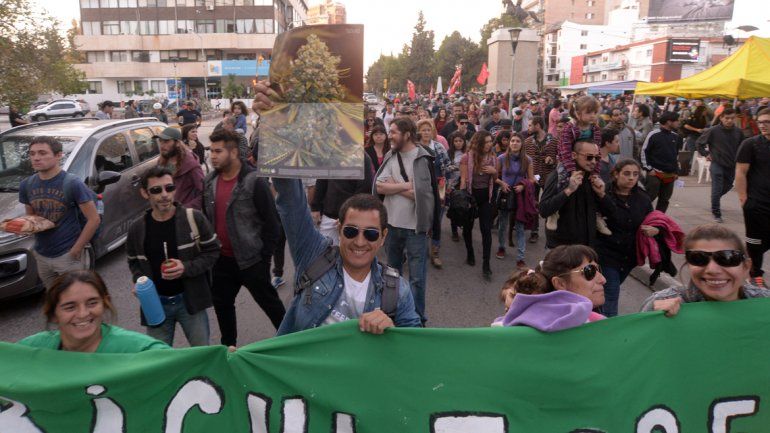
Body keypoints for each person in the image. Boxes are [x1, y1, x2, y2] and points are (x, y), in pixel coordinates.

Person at [273, 174, 422, 335]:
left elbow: (415, 341)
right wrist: (283, 151)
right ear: (339, 230)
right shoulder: (314, 256)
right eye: (351, 231)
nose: (359, 242)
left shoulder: (397, 290)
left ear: (383, 237)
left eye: (370, 234)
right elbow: (290, 200)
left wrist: (391, 327)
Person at [204, 129, 285, 346]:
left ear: (233, 152)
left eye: (218, 151)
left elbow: (273, 224)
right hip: (221, 262)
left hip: (251, 262)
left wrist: (263, 259)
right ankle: (228, 350)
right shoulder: (210, 181)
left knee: (271, 305)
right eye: (211, 151)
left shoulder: (254, 181)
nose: (212, 156)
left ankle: (292, 342)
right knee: (223, 308)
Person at [126, 166, 220, 346]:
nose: (164, 194)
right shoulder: (137, 229)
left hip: (190, 302)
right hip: (155, 305)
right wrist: (140, 281)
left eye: (169, 188)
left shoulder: (193, 218)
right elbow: (133, 262)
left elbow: (213, 251)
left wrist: (186, 267)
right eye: (156, 190)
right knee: (158, 361)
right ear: (145, 193)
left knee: (202, 355)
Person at [374, 117, 438, 325]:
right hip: (391, 225)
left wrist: (396, 185)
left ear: (407, 134)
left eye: (393, 132)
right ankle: (395, 315)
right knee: (392, 276)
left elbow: (426, 195)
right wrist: (406, 186)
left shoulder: (424, 158)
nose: (389, 136)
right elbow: (379, 187)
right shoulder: (391, 156)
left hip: (415, 229)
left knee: (417, 279)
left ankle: (418, 319)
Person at [18, 270, 169, 352]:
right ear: (53, 314)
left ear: (105, 304)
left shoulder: (137, 350)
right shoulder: (33, 349)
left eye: (92, 303)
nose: (83, 314)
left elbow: (179, 365)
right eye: (70, 307)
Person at [20, 136, 99, 289]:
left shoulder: (72, 183)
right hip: (42, 254)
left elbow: (94, 219)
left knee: (76, 297)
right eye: (32, 153)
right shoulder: (26, 185)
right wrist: (21, 227)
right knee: (55, 299)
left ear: (58, 156)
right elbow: (31, 219)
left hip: (67, 254)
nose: (36, 158)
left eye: (42, 153)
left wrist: (75, 250)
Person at [641, 224, 770, 315]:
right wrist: (653, 320)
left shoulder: (764, 303)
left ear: (746, 266)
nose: (712, 269)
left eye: (727, 258)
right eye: (698, 258)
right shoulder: (660, 304)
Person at [498, 245, 607, 331]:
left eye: (598, 269)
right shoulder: (599, 326)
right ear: (560, 283)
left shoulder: (505, 328)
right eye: (590, 271)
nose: (603, 279)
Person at [596, 159, 654, 317]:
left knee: (606, 293)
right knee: (611, 294)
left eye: (635, 174)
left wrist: (655, 229)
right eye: (627, 173)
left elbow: (653, 219)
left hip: (629, 257)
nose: (631, 178)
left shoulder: (642, 198)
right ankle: (610, 332)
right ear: (615, 174)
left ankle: (594, 317)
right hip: (606, 255)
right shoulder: (602, 193)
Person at [539, 140, 610, 249]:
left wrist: (602, 195)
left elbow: (610, 212)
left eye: (597, 158)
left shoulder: (594, 179)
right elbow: (544, 209)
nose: (594, 161)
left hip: (587, 248)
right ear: (574, 155)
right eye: (589, 157)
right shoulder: (558, 176)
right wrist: (568, 190)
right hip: (562, 249)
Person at [735, 108, 770, 287]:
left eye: (767, 122)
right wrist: (744, 199)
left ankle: (745, 265)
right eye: (761, 122)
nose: (763, 125)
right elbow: (741, 172)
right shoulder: (751, 144)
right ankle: (755, 275)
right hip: (756, 203)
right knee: (755, 243)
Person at [311, 153, 374, 246]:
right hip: (328, 216)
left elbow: (364, 190)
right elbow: (322, 180)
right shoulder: (329, 154)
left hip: (351, 220)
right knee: (324, 255)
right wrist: (315, 207)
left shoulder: (364, 158)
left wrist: (347, 215)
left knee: (349, 255)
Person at [695, 108, 745, 223]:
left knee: (727, 186)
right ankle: (716, 212)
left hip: (732, 165)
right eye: (727, 118)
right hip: (717, 163)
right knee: (717, 188)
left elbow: (743, 147)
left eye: (732, 118)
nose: (729, 120)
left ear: (735, 118)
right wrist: (706, 154)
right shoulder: (713, 130)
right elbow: (699, 143)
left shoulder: (738, 132)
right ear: (721, 117)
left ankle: (715, 198)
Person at [460, 131, 498, 279]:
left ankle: (486, 264)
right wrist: (462, 199)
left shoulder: (493, 159)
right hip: (471, 196)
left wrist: (494, 172)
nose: (490, 144)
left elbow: (495, 179)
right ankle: (470, 252)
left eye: (491, 141)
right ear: (479, 143)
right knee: (467, 228)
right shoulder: (466, 157)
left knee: (486, 230)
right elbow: (463, 180)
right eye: (487, 142)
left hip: (485, 198)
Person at [495, 132, 533, 268]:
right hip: (506, 193)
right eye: (512, 141)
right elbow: (495, 176)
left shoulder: (527, 159)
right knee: (502, 224)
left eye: (517, 141)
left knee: (520, 227)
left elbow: (531, 179)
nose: (514, 143)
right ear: (509, 143)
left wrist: (523, 185)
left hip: (519, 196)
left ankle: (520, 257)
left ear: (522, 144)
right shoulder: (501, 158)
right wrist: (502, 183)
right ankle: (501, 247)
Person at [417, 119, 450, 269]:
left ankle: (435, 253)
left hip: (439, 188)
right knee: (420, 220)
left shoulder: (439, 147)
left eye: (428, 130)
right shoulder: (414, 148)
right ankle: (419, 251)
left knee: (437, 220)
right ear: (418, 132)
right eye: (423, 130)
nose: (426, 132)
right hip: (420, 189)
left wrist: (446, 181)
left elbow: (449, 166)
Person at [524, 115, 557, 243]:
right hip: (533, 177)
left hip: (548, 178)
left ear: (538, 125)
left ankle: (551, 231)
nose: (529, 127)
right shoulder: (527, 142)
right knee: (533, 204)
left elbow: (559, 158)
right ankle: (534, 231)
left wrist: (552, 161)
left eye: (531, 125)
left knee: (549, 204)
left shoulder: (553, 141)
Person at [642, 111, 683, 213]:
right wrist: (649, 169)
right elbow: (644, 152)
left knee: (664, 200)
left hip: (670, 174)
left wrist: (676, 171)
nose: (679, 123)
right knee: (649, 198)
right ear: (669, 122)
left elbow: (675, 155)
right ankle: (641, 217)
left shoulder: (676, 136)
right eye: (677, 120)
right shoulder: (653, 134)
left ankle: (659, 221)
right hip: (655, 173)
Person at [155, 127, 204, 210]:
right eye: (160, 141)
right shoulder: (161, 162)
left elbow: (204, 193)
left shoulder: (191, 165)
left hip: (184, 215)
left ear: (177, 143)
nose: (162, 145)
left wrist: (184, 209)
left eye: (166, 141)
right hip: (167, 214)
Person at [446, 131, 467, 242]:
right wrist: (455, 167)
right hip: (452, 184)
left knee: (463, 207)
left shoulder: (467, 153)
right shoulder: (449, 153)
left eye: (460, 141)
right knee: (453, 207)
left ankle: (464, 227)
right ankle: (454, 231)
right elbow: (445, 167)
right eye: (456, 141)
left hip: (463, 183)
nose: (458, 143)